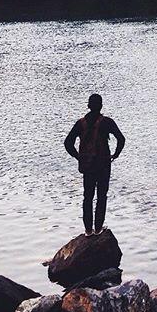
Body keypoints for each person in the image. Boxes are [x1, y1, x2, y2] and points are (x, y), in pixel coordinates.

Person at [64, 94, 125, 236]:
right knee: (102, 196)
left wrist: (78, 157)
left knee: (88, 197)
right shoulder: (107, 122)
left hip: (87, 166)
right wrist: (115, 154)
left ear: (88, 106)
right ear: (101, 106)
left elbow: (68, 143)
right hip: (103, 165)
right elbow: (121, 139)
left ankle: (88, 231)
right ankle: (98, 229)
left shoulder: (80, 123)